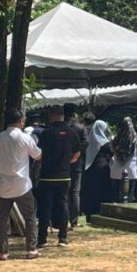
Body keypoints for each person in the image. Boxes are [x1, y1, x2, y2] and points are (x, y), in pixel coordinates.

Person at [0, 109, 42, 261]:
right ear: (21, 121)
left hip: (4, 184)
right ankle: (31, 249)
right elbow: (37, 155)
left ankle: (3, 252)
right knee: (30, 217)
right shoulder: (25, 138)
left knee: (1, 218)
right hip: (22, 184)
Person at [35, 106, 81, 249]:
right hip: (64, 175)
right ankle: (63, 237)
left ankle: (42, 239)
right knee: (63, 204)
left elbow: (39, 153)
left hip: (47, 175)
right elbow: (77, 152)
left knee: (45, 207)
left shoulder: (46, 133)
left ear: (52, 116)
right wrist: (68, 162)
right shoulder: (72, 133)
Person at [80, 119, 113, 223]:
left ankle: (90, 214)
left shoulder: (90, 140)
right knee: (102, 192)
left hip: (90, 169)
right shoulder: (105, 142)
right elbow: (112, 152)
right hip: (102, 170)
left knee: (91, 193)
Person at [64, 104, 87, 228]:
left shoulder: (61, 127)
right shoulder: (80, 127)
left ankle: (64, 219)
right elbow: (85, 143)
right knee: (75, 192)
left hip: (63, 163)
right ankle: (74, 220)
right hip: (77, 162)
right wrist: (76, 153)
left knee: (64, 191)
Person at [110, 117, 137, 203]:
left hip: (116, 170)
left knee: (116, 194)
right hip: (131, 170)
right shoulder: (135, 139)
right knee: (129, 193)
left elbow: (112, 150)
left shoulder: (115, 138)